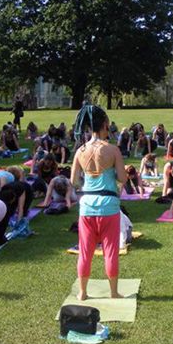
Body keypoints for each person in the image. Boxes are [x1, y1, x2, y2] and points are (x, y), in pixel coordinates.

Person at [70, 104, 126, 301]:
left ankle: (82, 292)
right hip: (109, 206)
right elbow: (122, 178)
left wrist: (89, 179)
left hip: (87, 205)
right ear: (104, 125)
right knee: (111, 250)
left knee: (85, 251)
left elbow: (73, 180)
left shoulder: (80, 151)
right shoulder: (112, 150)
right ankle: (113, 292)